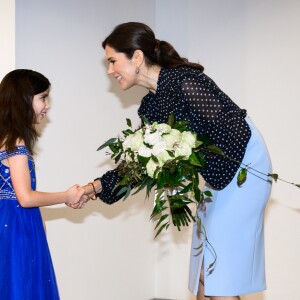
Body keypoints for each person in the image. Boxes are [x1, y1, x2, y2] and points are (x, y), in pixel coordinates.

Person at [78, 22, 272, 300]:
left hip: (243, 169)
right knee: (206, 266)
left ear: (136, 57)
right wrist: (94, 187)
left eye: (112, 61)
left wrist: (200, 172)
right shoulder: (151, 105)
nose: (110, 71)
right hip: (219, 176)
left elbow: (232, 131)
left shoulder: (183, 81)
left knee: (219, 270)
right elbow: (139, 165)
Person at [0, 69, 86, 299]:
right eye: (43, 97)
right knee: (22, 286)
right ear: (23, 100)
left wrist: (39, 219)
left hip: (12, 222)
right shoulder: (16, 142)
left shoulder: (5, 138)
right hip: (18, 227)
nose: (47, 105)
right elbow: (25, 197)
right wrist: (66, 195)